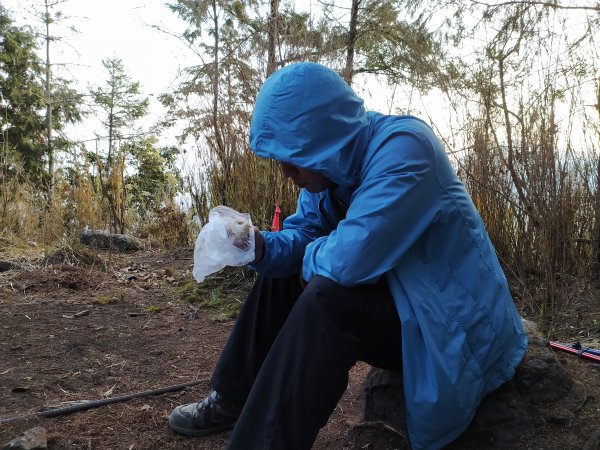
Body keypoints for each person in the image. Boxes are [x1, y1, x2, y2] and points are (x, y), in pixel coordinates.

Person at [168, 62, 527, 450]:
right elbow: (306, 234)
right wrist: (262, 246)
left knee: (326, 298)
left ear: (323, 139)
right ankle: (232, 398)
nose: (287, 171)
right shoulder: (328, 168)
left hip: (448, 324)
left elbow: (351, 259)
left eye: (293, 156)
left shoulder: (406, 149)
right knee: (282, 272)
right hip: (401, 303)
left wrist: (307, 255)